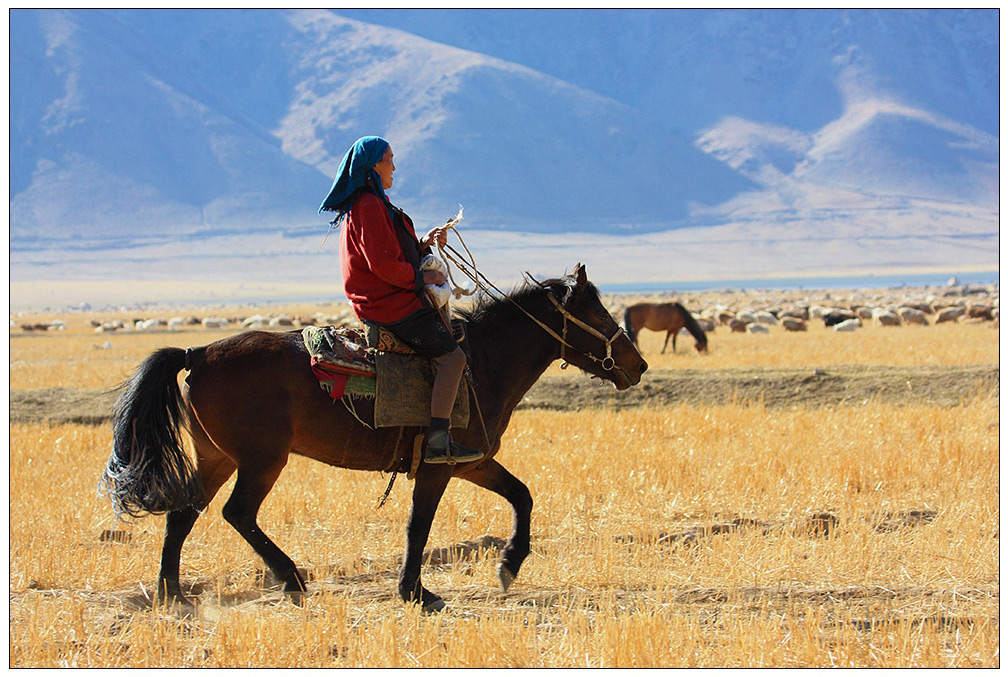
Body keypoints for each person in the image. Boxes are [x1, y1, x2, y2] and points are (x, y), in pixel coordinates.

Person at [319, 136, 483, 465]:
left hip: (390, 299)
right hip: (389, 306)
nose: (394, 167)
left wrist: (424, 243)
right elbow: (382, 265)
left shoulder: (374, 204)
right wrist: (423, 278)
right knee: (453, 359)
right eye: (389, 159)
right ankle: (438, 440)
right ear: (372, 167)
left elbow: (391, 252)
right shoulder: (368, 205)